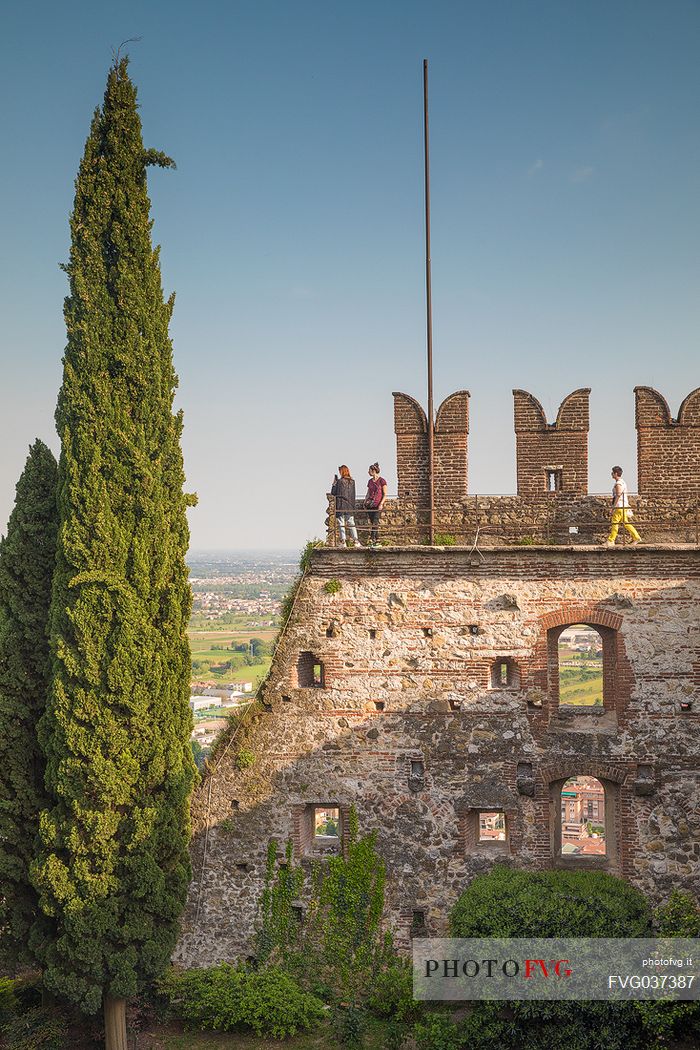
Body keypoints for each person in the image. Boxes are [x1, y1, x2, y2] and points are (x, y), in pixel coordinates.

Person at [604, 466, 642, 547]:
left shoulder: (619, 483)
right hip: (622, 506)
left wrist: (613, 507)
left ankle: (611, 541)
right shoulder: (622, 482)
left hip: (619, 506)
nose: (611, 474)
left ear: (616, 473)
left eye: (612, 472)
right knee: (625, 523)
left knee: (615, 523)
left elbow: (618, 495)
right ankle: (636, 537)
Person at [331, 465, 360, 547]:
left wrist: (334, 484)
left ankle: (343, 541)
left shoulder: (340, 481)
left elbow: (333, 492)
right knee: (351, 523)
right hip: (350, 505)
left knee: (341, 523)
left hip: (341, 504)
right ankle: (356, 540)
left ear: (342, 471)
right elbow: (353, 494)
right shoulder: (352, 482)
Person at [364, 462, 387, 546]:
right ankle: (377, 540)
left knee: (375, 522)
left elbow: (385, 494)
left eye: (369, 470)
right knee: (373, 522)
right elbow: (368, 492)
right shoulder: (370, 481)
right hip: (370, 504)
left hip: (377, 504)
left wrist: (381, 504)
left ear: (373, 471)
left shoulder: (382, 481)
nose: (368, 472)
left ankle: (372, 538)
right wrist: (365, 501)